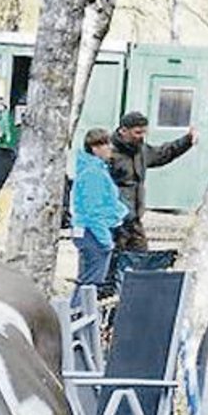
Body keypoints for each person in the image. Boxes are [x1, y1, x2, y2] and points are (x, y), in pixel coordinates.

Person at [106, 110, 198, 251]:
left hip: (134, 220)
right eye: (137, 133)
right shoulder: (109, 154)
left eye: (144, 132)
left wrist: (187, 141)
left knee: (141, 257)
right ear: (123, 131)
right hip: (114, 221)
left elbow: (163, 153)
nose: (141, 136)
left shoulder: (141, 151)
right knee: (112, 259)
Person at [70, 127, 129, 306]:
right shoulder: (93, 174)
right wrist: (106, 241)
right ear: (95, 148)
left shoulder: (94, 169)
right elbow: (93, 211)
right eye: (106, 144)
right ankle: (78, 316)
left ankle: (75, 315)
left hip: (87, 231)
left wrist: (121, 211)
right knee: (90, 282)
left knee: (86, 280)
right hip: (93, 233)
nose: (111, 148)